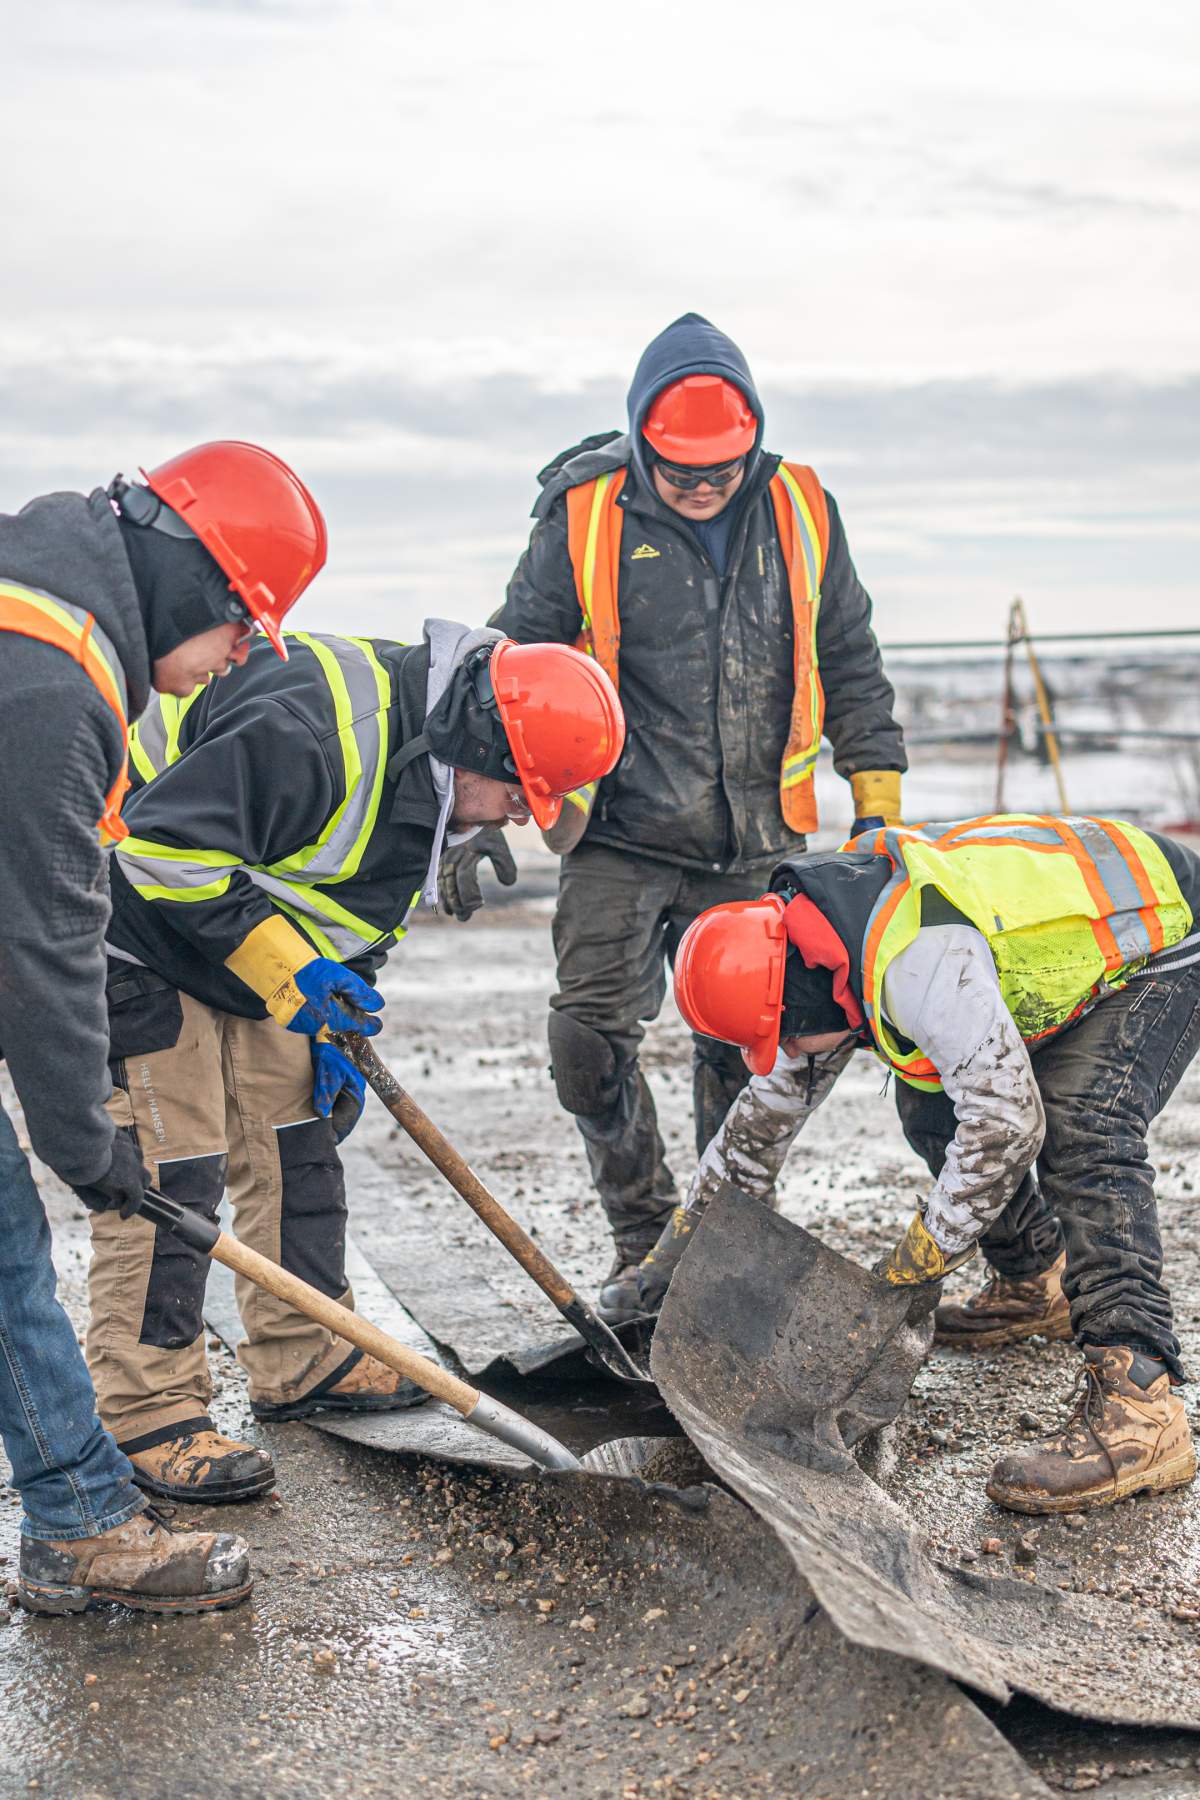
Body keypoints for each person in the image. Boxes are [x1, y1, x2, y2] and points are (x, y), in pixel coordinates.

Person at [86, 622, 623, 1502]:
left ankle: (302, 1356)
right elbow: (159, 853)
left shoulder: (436, 760)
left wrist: (341, 996)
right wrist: (293, 973)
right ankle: (149, 1414)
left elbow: (351, 892)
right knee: (171, 1171)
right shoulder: (313, 738)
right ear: (477, 743)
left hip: (238, 906)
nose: (527, 816)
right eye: (522, 792)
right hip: (138, 917)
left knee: (297, 1136)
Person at [445, 313, 906, 1316]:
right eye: (681, 473)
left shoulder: (802, 506)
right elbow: (512, 668)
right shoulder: (584, 512)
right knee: (589, 1036)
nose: (702, 489)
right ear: (642, 444)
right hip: (616, 833)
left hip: (754, 842)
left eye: (719, 473)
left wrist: (877, 816)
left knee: (749, 1041)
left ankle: (726, 1237)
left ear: (753, 444)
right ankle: (643, 1235)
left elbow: (854, 666)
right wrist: (475, 805)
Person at [635, 814, 1200, 1516]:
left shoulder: (919, 963)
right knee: (931, 1107)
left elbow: (1007, 1126)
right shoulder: (815, 946)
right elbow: (758, 1129)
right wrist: (674, 1253)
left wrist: (917, 1263)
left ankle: (1141, 1401)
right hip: (1059, 941)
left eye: (781, 1036)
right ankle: (1036, 1280)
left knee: (1085, 1123)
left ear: (798, 996)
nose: (786, 1053)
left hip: (1157, 933)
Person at [1, 440, 326, 1614]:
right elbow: (40, 943)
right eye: (244, 620)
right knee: (5, 1248)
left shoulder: (40, 605)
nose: (246, 651)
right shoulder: (45, 680)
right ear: (194, 577)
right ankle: (83, 1526)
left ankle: (77, 1516)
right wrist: (86, 1142)